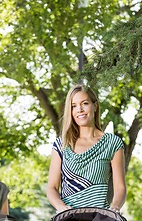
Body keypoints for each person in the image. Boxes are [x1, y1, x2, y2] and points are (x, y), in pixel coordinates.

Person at [47, 84, 126, 213]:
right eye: (74, 106)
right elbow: (51, 188)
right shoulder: (62, 145)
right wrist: (62, 208)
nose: (80, 110)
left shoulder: (113, 143)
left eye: (84, 103)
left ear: (95, 106)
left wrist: (115, 208)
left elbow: (120, 188)